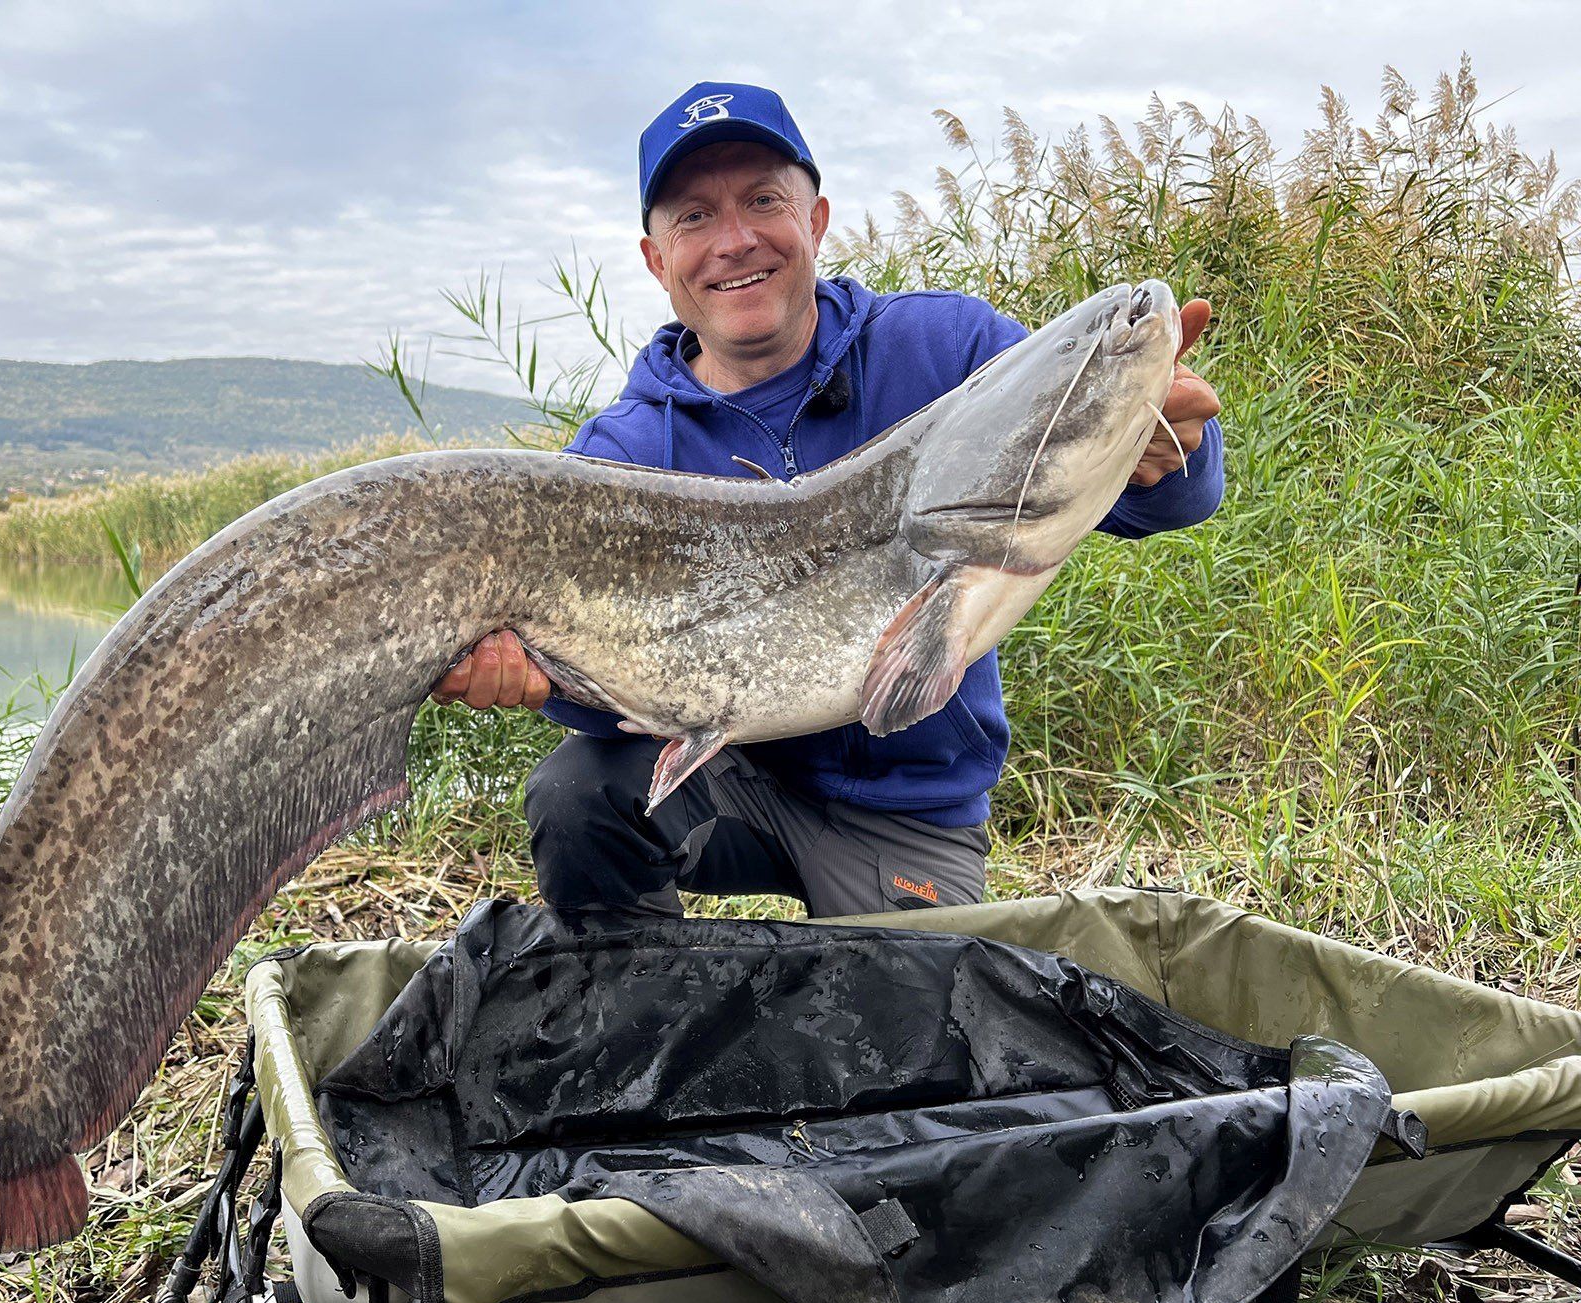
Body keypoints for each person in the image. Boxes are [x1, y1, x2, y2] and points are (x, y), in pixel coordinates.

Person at [431, 81, 1224, 925]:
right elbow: (595, 687)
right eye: (694, 217)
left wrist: (1157, 442)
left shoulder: (947, 348)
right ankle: (633, 1003)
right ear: (657, 260)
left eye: (763, 200)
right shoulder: (623, 455)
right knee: (578, 791)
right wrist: (533, 678)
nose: (734, 241)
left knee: (915, 1042)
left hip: (906, 814)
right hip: (723, 786)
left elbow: (1159, 505)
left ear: (814, 220)